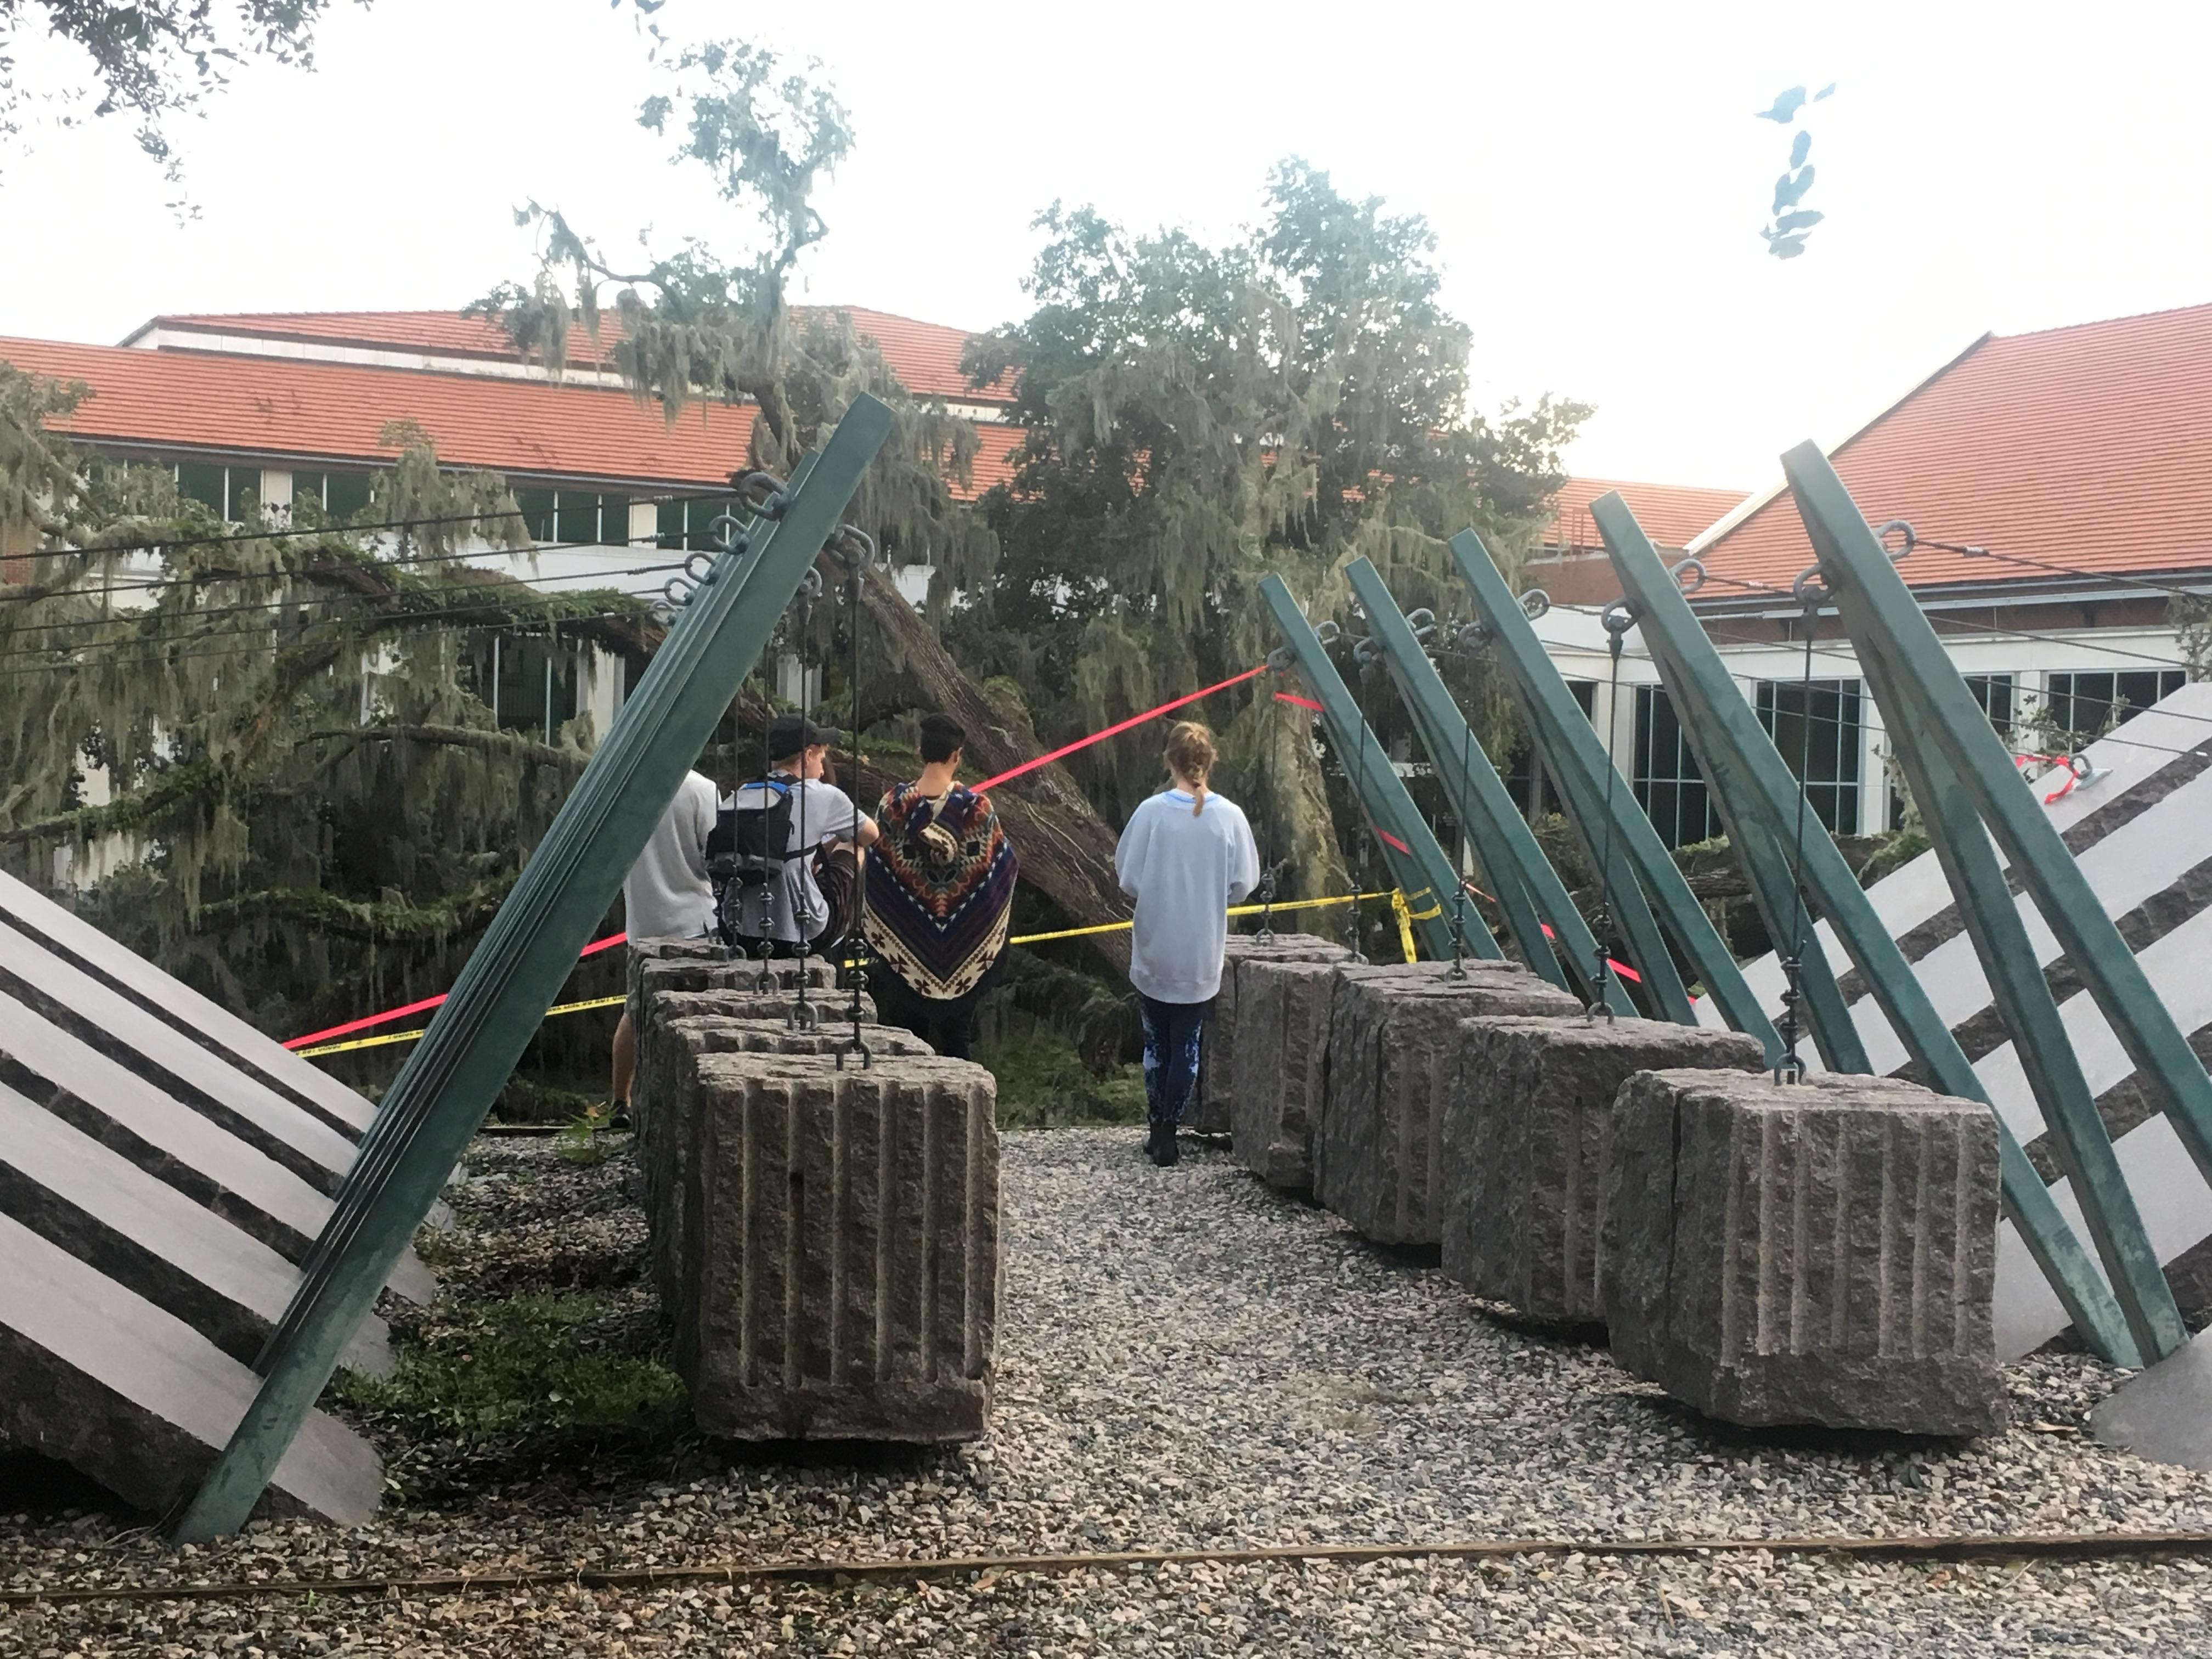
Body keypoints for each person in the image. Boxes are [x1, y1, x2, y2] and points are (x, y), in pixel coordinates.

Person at [1114, 720, 1260, 1166]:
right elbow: (1243, 884)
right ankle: (1169, 1130)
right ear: (1209, 760)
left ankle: (1155, 1122)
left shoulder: (1151, 813)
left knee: (1156, 1042)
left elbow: (1128, 878)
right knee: (1188, 1044)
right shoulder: (1230, 817)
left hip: (1156, 943)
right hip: (1201, 948)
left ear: (1169, 760)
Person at [864, 713, 1019, 1060]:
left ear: (920, 752)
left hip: (906, 938)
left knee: (908, 1036)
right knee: (958, 1037)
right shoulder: (978, 809)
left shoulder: (893, 806)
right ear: (957, 755)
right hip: (967, 948)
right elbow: (1003, 870)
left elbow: (876, 870)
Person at [720, 713, 879, 958]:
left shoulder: (741, 794)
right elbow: (871, 834)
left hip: (737, 932)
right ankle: (847, 946)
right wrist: (837, 838)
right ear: (807, 756)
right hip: (801, 935)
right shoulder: (823, 795)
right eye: (822, 753)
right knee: (855, 847)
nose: (824, 761)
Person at [611, 767, 719, 1113]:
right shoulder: (701, 789)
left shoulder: (624, 787)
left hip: (643, 921)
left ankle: (620, 1101)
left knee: (636, 1011)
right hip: (696, 919)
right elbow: (715, 857)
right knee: (700, 1013)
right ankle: (692, 1100)